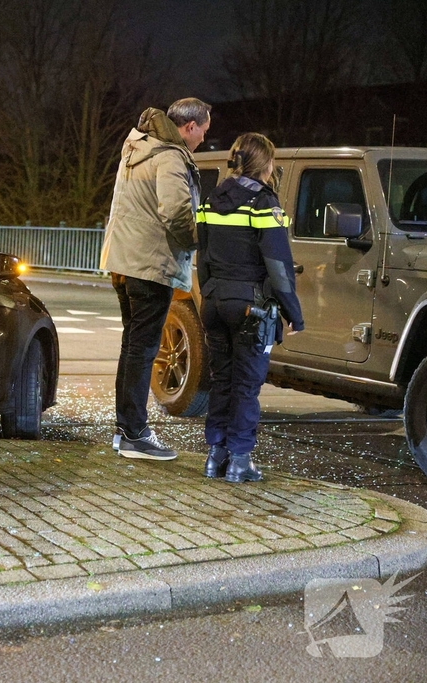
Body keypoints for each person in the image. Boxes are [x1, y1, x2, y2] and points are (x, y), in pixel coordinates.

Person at [100, 97, 212, 460]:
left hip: (124, 261)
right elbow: (177, 213)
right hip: (150, 266)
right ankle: (135, 434)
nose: (203, 140)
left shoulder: (137, 146)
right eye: (204, 132)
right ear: (190, 126)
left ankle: (125, 430)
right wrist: (202, 241)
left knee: (132, 347)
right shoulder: (169, 156)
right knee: (142, 349)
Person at [196, 132, 304, 483]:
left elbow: (203, 256)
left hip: (214, 303)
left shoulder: (212, 197)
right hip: (250, 308)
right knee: (246, 385)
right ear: (265, 163)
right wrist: (293, 313)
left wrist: (210, 291)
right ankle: (240, 463)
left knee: (222, 380)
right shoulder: (263, 203)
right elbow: (277, 264)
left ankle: (216, 457)